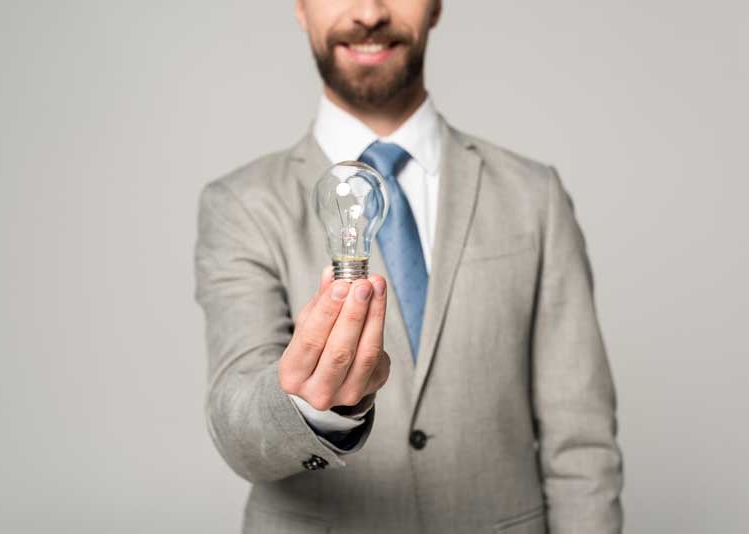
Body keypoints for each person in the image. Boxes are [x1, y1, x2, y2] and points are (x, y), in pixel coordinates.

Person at [194, 1, 624, 532]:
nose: (370, 12)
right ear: (300, 7)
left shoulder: (534, 196)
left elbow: (581, 441)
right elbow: (238, 429)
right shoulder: (240, 203)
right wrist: (311, 404)